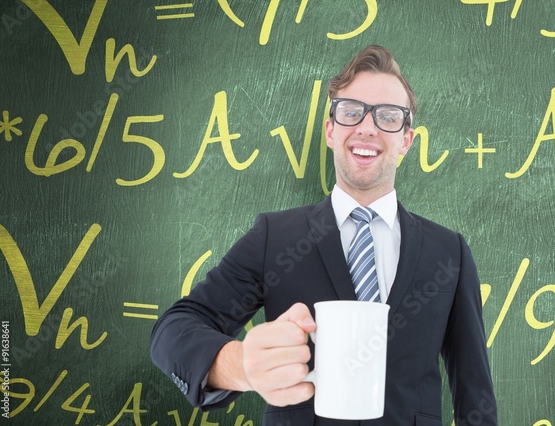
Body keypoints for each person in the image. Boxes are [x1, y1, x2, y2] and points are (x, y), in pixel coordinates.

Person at [150, 45, 498, 425]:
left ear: (406, 140)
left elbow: (474, 394)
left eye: (388, 117)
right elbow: (175, 328)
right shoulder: (275, 237)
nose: (367, 127)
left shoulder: (450, 253)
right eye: (352, 112)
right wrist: (239, 366)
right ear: (331, 130)